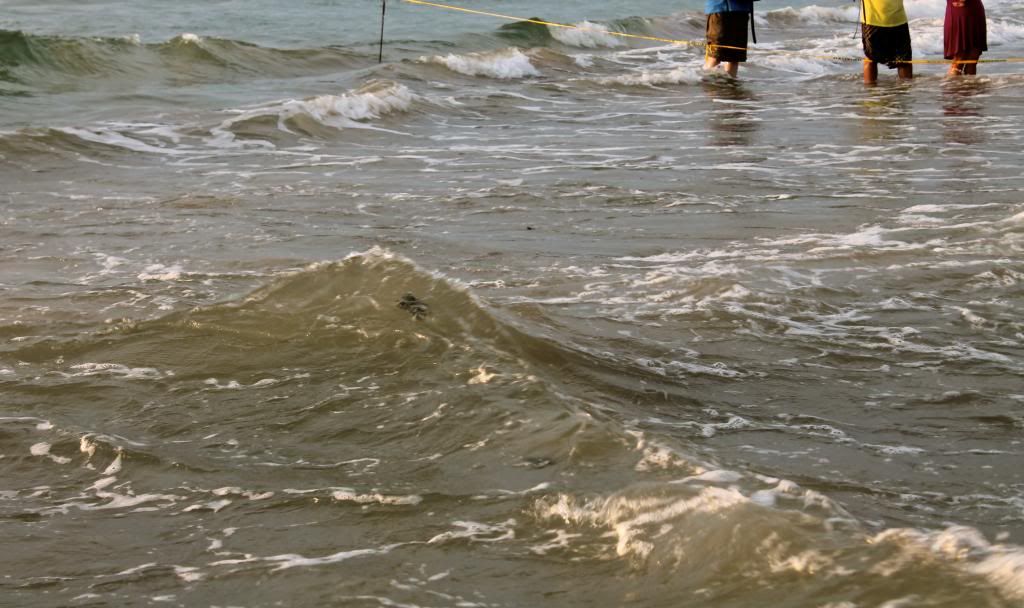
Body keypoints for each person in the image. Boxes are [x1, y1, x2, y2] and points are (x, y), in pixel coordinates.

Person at [859, 0, 913, 84]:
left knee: (904, 61)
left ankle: (905, 92)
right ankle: (871, 94)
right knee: (871, 59)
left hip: (897, 18)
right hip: (874, 20)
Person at [704, 0, 757, 77]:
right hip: (720, 9)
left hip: (741, 11)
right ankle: (707, 85)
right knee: (715, 56)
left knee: (734, 58)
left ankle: (730, 86)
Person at [945, 0, 987, 75]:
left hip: (975, 10)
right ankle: (952, 86)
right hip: (958, 11)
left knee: (973, 58)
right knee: (960, 58)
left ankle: (969, 85)